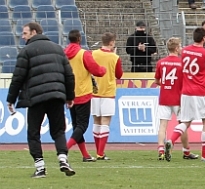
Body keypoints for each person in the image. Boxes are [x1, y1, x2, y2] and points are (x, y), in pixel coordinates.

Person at [7, 22, 77, 178]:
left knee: (33, 133)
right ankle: (63, 159)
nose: (23, 37)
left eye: (25, 33)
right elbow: (69, 75)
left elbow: (18, 78)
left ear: (34, 32)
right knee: (58, 131)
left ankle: (40, 167)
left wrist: (11, 99)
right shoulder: (58, 49)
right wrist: (70, 96)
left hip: (36, 97)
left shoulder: (26, 51)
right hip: (57, 96)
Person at [177, 27, 205, 161]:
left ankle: (170, 141)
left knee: (185, 121)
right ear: (204, 39)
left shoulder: (184, 51)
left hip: (186, 91)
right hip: (201, 91)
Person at [64, 29, 105, 163]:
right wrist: (103, 69)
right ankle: (64, 149)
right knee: (82, 125)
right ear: (79, 39)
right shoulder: (83, 54)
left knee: (76, 125)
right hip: (83, 93)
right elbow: (97, 71)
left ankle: (85, 155)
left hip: (69, 94)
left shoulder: (64, 54)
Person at [152, 37, 194, 161]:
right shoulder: (182, 63)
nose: (181, 48)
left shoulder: (161, 62)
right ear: (176, 48)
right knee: (183, 124)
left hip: (164, 96)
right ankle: (186, 151)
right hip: (178, 98)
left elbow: (156, 81)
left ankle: (160, 149)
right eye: (180, 46)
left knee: (163, 125)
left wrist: (166, 86)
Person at [90, 32, 122, 161]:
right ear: (111, 42)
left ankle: (98, 151)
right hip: (108, 92)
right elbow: (119, 75)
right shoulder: (114, 57)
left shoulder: (93, 54)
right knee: (105, 122)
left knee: (96, 121)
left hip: (94, 91)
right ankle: (100, 153)